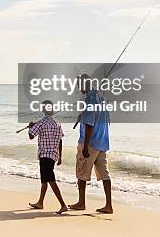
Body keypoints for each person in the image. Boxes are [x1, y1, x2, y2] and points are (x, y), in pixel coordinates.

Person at [70, 74, 113, 213]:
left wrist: (85, 146)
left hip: (90, 143)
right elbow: (105, 119)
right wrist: (83, 114)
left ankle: (81, 203)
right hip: (102, 142)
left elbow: (89, 124)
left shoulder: (89, 99)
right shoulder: (101, 98)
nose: (78, 87)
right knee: (105, 175)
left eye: (79, 85)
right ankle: (108, 205)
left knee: (81, 173)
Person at [27, 100, 68, 214]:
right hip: (53, 155)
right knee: (44, 180)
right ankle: (40, 202)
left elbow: (31, 136)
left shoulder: (41, 123)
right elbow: (60, 140)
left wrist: (30, 127)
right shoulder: (57, 123)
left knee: (50, 180)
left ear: (44, 110)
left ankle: (63, 205)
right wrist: (60, 156)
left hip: (45, 155)